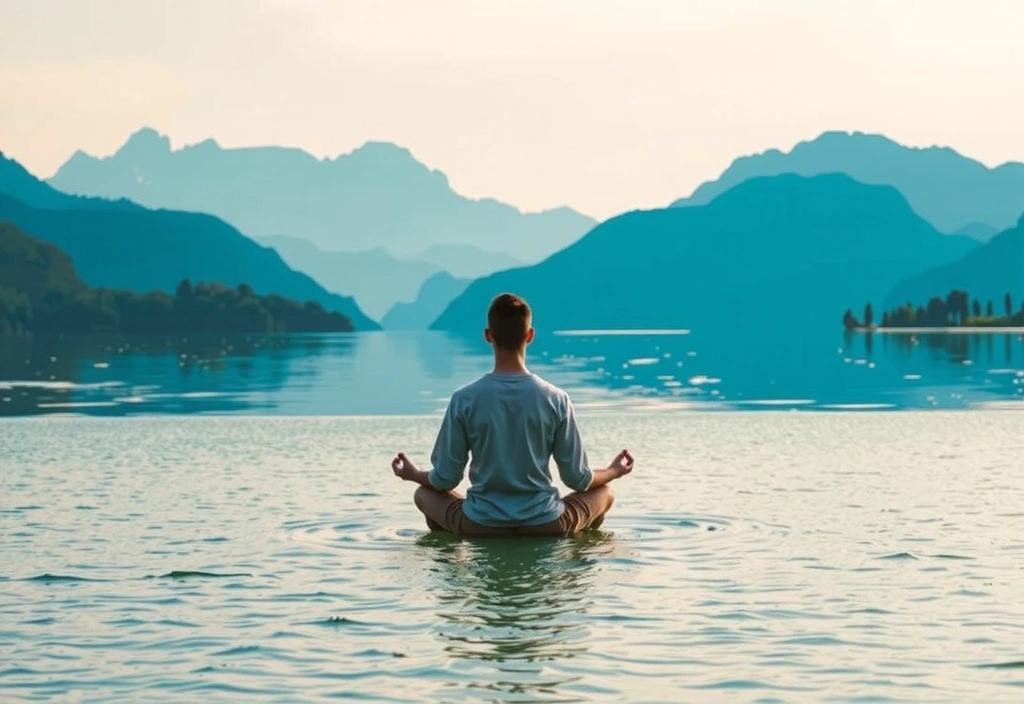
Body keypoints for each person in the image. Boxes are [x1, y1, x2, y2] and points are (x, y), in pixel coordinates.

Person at [389, 292, 635, 537]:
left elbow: (445, 480)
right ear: (530, 336)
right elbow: (578, 479)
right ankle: (578, 551)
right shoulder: (556, 399)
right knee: (605, 492)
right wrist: (614, 470)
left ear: (488, 336)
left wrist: (412, 475)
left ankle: (452, 548)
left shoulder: (464, 399)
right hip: (547, 524)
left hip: (481, 525)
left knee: (424, 493)